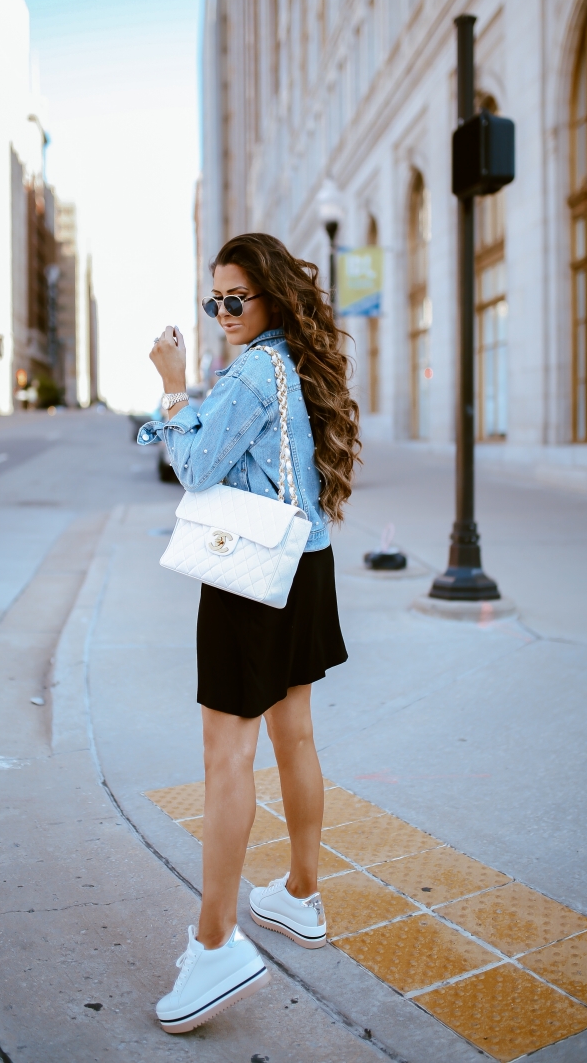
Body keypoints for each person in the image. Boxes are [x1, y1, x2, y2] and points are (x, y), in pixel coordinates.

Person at [138, 232, 360, 1034]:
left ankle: (215, 942)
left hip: (250, 580)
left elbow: (192, 469)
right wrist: (194, 404)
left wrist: (169, 388)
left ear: (270, 297)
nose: (225, 312)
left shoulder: (253, 370)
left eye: (238, 298)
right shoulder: (290, 364)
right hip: (304, 564)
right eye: (215, 300)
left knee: (224, 755)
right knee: (293, 735)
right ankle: (300, 895)